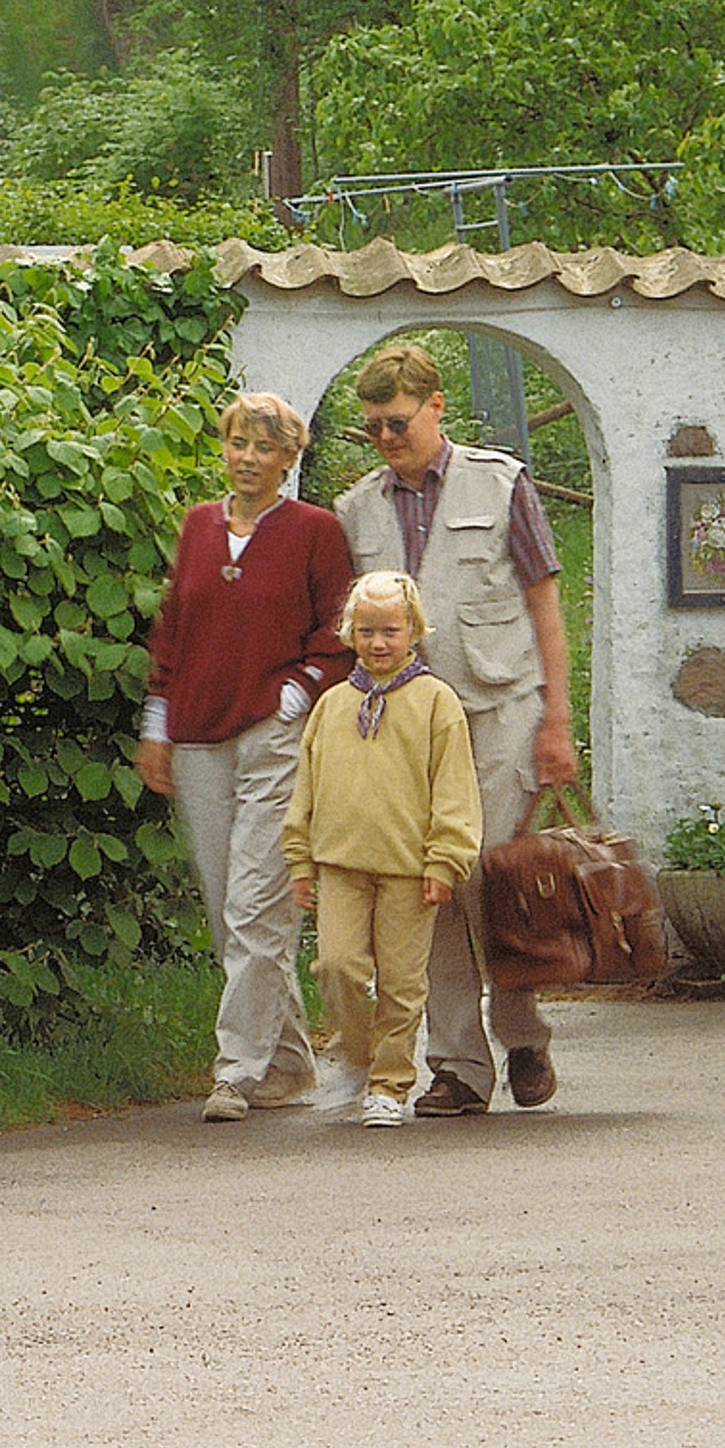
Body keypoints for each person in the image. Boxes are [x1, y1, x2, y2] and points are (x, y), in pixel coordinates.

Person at [332, 343, 580, 1116]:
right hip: (405, 726)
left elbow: (544, 602)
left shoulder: (502, 484)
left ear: (435, 405)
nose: (385, 438)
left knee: (484, 875)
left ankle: (521, 1029)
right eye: (372, 427)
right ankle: (459, 1067)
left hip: (499, 708)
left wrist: (558, 722)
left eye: (397, 421)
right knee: (424, 887)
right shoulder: (356, 508)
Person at [138, 390, 352, 1122]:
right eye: (238, 445)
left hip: (272, 734)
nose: (248, 460)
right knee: (227, 909)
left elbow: (338, 629)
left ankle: (237, 1068)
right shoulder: (198, 526)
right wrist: (156, 723)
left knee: (258, 905)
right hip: (198, 733)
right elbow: (173, 627)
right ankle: (290, 1062)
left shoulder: (316, 532)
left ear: (291, 459)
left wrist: (295, 694)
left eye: (265, 448)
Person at [280, 574, 483, 1126]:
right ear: (349, 633)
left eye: (390, 631)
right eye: (366, 631)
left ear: (413, 630)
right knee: (337, 965)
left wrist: (445, 859)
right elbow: (307, 787)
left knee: (401, 982)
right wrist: (300, 858)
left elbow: (455, 791)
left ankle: (389, 1083)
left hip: (409, 869)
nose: (378, 643)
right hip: (340, 862)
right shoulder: (331, 707)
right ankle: (359, 1055)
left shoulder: (437, 703)